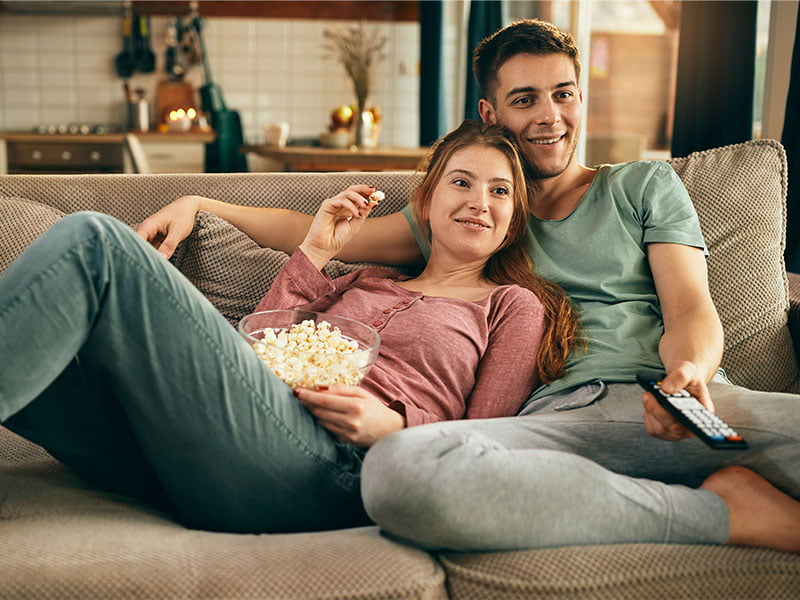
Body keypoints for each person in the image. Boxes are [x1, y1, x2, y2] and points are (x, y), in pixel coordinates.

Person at [137, 19, 800, 552]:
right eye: (525, 99)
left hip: (663, 401)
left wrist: (686, 373)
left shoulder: (642, 186)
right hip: (547, 428)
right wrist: (205, 204)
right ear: (490, 112)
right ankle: (721, 513)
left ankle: (699, 480)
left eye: (563, 93)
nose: (550, 116)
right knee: (400, 470)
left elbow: (690, 305)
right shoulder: (468, 216)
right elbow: (314, 234)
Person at [0, 120, 580, 535]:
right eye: (461, 182)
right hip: (209, 446)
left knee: (98, 240)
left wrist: (395, 426)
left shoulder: (512, 306)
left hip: (323, 472)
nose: (481, 201)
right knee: (48, 370)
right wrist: (316, 249)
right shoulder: (367, 279)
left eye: (500, 191)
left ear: (513, 219)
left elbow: (493, 446)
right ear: (424, 203)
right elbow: (265, 341)